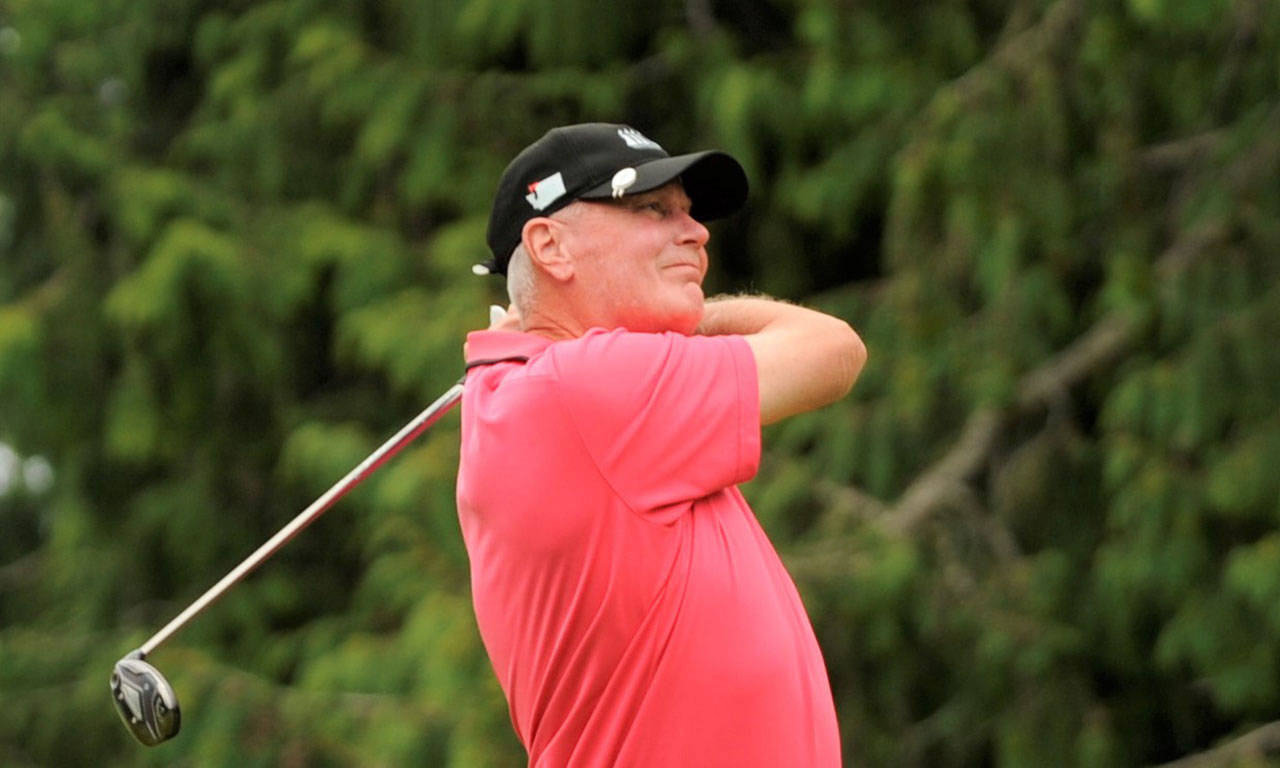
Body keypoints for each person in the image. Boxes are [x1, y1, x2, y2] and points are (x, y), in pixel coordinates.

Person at [456, 123, 866, 767]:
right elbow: (833, 350)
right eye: (651, 208)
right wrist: (692, 315)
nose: (696, 231)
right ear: (549, 246)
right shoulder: (582, 388)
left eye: (687, 210)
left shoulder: (541, 392)